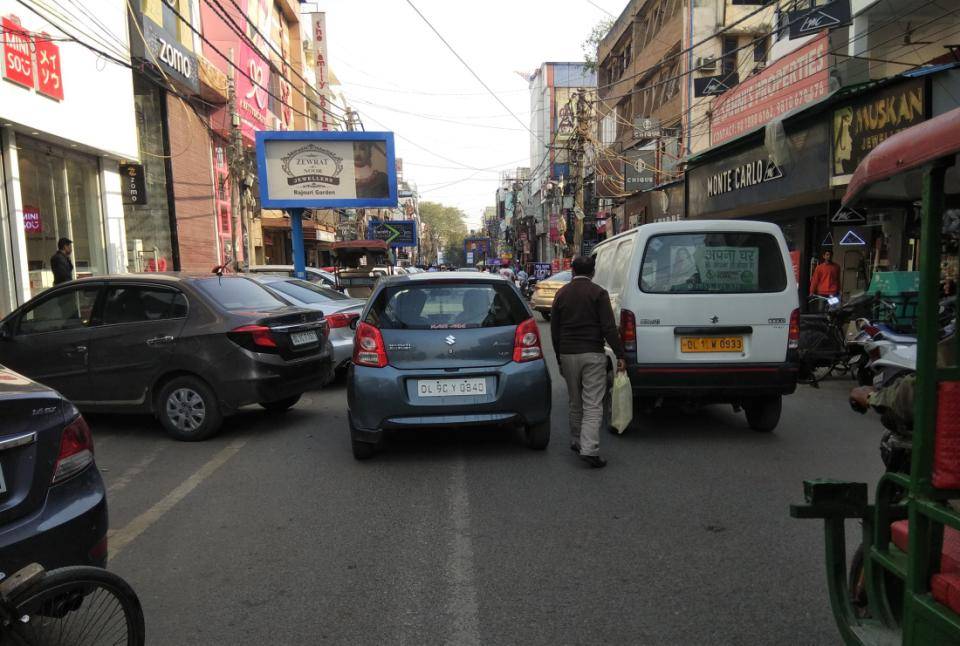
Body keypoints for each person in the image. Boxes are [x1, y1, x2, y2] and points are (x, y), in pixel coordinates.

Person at [550, 256, 627, 468]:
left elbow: (554, 330)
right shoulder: (598, 293)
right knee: (593, 403)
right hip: (592, 354)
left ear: (572, 272)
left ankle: (576, 440)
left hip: (567, 354)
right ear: (593, 272)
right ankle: (589, 448)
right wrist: (620, 355)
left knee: (575, 401)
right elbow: (609, 328)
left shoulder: (561, 293)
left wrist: (558, 356)